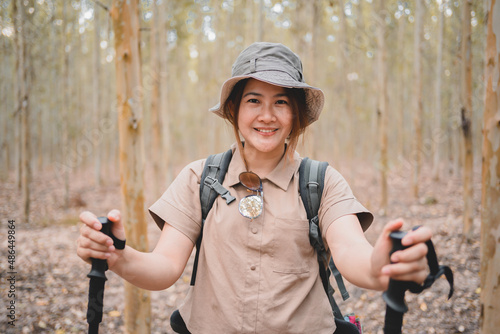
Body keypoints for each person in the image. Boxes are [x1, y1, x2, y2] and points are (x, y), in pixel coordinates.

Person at [77, 42, 431, 333]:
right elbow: (164, 267)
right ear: (234, 110)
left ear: (295, 116)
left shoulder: (321, 182)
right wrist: (117, 255)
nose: (267, 115)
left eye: (281, 102)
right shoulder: (199, 178)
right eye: (253, 100)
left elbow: (354, 255)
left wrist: (383, 265)